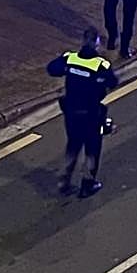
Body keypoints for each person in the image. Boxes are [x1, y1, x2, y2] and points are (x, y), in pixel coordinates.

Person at [47, 27, 117, 197]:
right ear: (97, 44)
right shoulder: (101, 65)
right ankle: (88, 184)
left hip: (71, 112)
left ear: (83, 41)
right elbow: (112, 82)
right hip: (91, 113)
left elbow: (52, 69)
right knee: (92, 149)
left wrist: (70, 72)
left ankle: (64, 181)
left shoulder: (69, 59)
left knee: (73, 145)